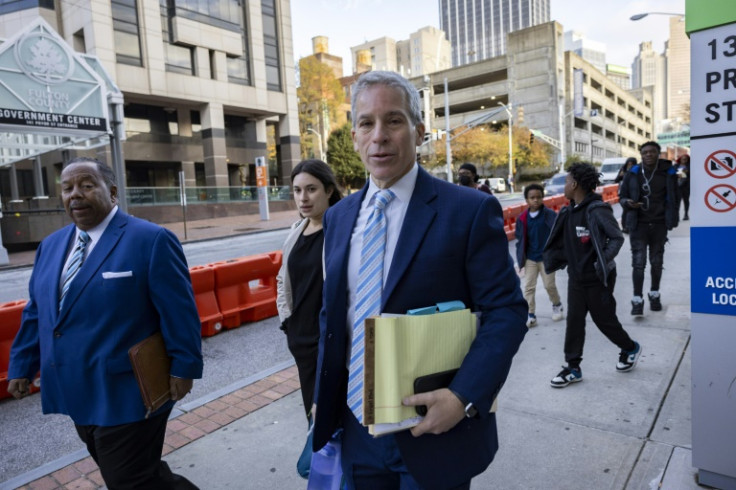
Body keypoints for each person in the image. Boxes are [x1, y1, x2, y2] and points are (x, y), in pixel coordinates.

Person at [312, 71, 528, 489]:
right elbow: (334, 315)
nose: (379, 136)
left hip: (434, 427)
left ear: (419, 131)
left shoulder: (468, 210)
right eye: (366, 123)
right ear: (354, 135)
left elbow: (506, 311)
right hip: (356, 428)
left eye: (393, 121)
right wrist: (323, 392)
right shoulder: (338, 217)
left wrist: (462, 397)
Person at [7, 158, 203, 489]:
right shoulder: (51, 246)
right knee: (142, 475)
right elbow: (37, 311)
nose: (75, 195)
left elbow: (179, 312)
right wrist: (21, 365)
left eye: (86, 185)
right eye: (67, 188)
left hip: (129, 390)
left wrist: (184, 367)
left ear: (111, 192)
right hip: (76, 389)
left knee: (128, 479)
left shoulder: (151, 239)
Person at [543, 163, 641, 388]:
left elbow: (616, 238)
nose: (565, 186)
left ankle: (630, 348)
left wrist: (601, 260)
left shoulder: (597, 209)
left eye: (567, 181)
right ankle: (573, 367)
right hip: (576, 279)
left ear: (575, 184)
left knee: (605, 321)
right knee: (574, 323)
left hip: (597, 278)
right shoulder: (568, 211)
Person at [277, 159, 342, 418]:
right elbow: (283, 279)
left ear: (328, 190)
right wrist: (287, 322)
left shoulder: (340, 231)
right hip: (300, 339)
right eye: (297, 190)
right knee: (312, 415)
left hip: (330, 340)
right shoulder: (296, 231)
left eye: (311, 189)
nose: (303, 198)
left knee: (328, 416)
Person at [619, 141, 679, 316]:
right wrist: (627, 203)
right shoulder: (633, 174)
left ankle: (654, 294)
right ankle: (637, 299)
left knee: (657, 262)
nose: (648, 155)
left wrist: (673, 217)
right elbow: (622, 196)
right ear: (641, 154)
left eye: (652, 152)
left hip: (660, 224)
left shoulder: (668, 173)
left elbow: (675, 197)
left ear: (658, 153)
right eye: (645, 152)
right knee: (638, 263)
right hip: (638, 225)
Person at [515, 183, 563, 328]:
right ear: (526, 200)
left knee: (549, 285)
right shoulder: (522, 218)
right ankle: (531, 314)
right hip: (530, 258)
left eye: (538, 197)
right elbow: (520, 239)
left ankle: (557, 305)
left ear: (543, 198)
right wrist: (521, 257)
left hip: (547, 258)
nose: (535, 200)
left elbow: (558, 234)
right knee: (529, 287)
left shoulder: (549, 215)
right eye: (532, 198)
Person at [614, 157, 637, 233]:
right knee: (626, 209)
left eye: (631, 164)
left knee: (629, 210)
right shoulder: (623, 170)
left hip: (632, 193)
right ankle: (625, 227)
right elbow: (616, 180)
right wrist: (621, 176)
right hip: (623, 193)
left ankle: (628, 226)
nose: (630, 165)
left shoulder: (636, 171)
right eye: (629, 164)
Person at [675, 154, 690, 221]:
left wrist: (681, 173)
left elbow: (682, 175)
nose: (684, 160)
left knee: (686, 201)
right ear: (680, 159)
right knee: (677, 202)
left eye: (686, 159)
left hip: (686, 187)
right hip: (677, 187)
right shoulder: (676, 166)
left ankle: (686, 214)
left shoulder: (689, 166)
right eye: (683, 159)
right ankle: (677, 215)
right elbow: (677, 175)